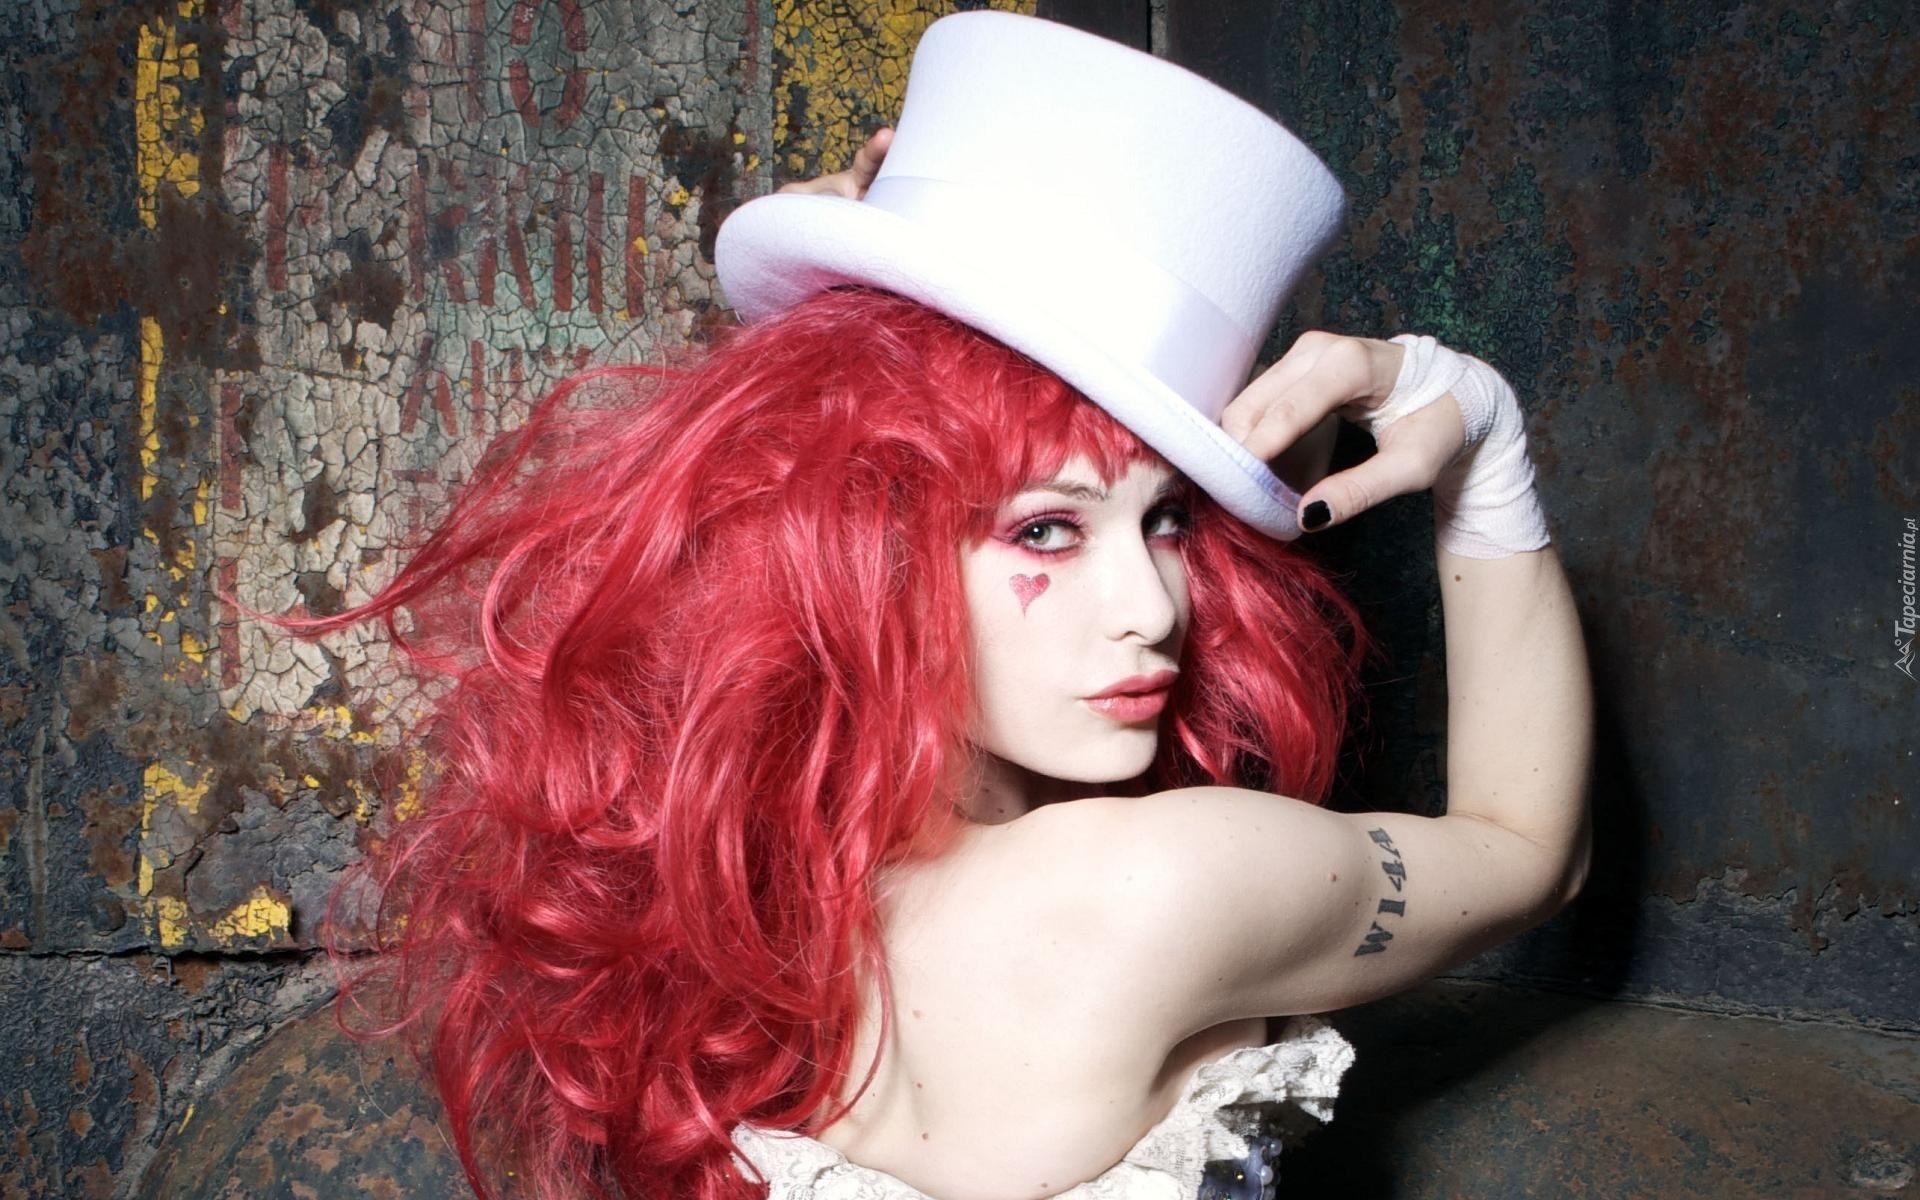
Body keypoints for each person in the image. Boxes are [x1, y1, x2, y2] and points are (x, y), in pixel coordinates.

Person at [284, 12, 1593, 1200]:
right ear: (868, 542)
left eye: (1169, 520)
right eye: (1044, 531)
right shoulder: (1154, 889)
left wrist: (853, 317)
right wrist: (1483, 441)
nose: (1151, 609)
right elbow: (1532, 851)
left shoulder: (762, 898)